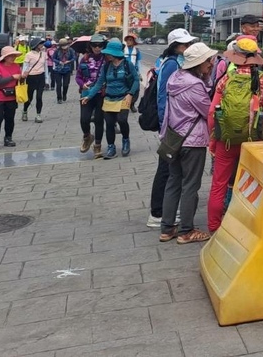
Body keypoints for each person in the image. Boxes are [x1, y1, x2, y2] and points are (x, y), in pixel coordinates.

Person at [206, 37, 263, 233]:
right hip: (254, 143)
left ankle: (214, 228)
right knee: (253, 187)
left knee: (219, 184)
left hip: (226, 141)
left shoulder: (226, 79)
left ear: (235, 57)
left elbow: (212, 112)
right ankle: (248, 229)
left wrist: (212, 139)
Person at [160, 41, 216, 244]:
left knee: (173, 182)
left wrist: (207, 77)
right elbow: (207, 110)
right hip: (193, 141)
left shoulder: (175, 78)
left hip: (174, 138)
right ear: (198, 63)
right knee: (190, 185)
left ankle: (167, 228)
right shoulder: (194, 85)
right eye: (208, 61)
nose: (211, 63)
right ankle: (186, 231)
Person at [146, 28, 197, 229]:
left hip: (172, 124)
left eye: (189, 43)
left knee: (170, 168)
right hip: (170, 126)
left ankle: (164, 210)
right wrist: (164, 125)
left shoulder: (175, 62)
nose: (188, 47)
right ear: (175, 46)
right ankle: (157, 212)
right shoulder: (171, 65)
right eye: (185, 44)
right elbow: (163, 97)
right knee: (165, 169)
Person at [87, 38, 139, 159]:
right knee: (109, 124)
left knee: (122, 120)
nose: (106, 55)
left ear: (115, 53)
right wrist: (89, 96)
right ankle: (111, 147)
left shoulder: (127, 64)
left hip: (124, 97)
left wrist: (130, 94)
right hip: (109, 98)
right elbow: (99, 83)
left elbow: (136, 80)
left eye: (109, 53)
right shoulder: (106, 66)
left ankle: (126, 140)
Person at [77, 34, 108, 157]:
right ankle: (87, 137)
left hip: (101, 94)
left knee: (99, 120)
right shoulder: (84, 59)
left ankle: (98, 146)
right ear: (90, 46)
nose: (97, 48)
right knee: (84, 119)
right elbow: (78, 76)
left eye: (100, 45)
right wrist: (82, 84)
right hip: (86, 94)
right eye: (94, 45)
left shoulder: (107, 59)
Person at [0, 46, 23, 150]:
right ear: (5, 57)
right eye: (10, 56)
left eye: (14, 55)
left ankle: (8, 137)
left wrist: (22, 77)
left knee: (10, 118)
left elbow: (19, 81)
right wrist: (12, 77)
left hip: (11, 96)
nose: (13, 58)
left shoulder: (16, 66)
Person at [21, 38, 47, 122]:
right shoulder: (28, 55)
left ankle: (38, 115)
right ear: (35, 45)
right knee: (30, 97)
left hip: (41, 77)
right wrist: (23, 76)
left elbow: (45, 67)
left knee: (39, 97)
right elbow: (25, 66)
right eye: (40, 44)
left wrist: (47, 80)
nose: (42, 45)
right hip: (31, 77)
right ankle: (25, 111)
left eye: (42, 44)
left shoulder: (43, 54)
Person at [51, 38, 76, 103]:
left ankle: (64, 94)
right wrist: (59, 62)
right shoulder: (57, 51)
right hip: (58, 70)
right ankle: (59, 98)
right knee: (59, 85)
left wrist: (69, 61)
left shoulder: (70, 50)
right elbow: (53, 58)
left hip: (67, 69)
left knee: (66, 84)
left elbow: (74, 58)